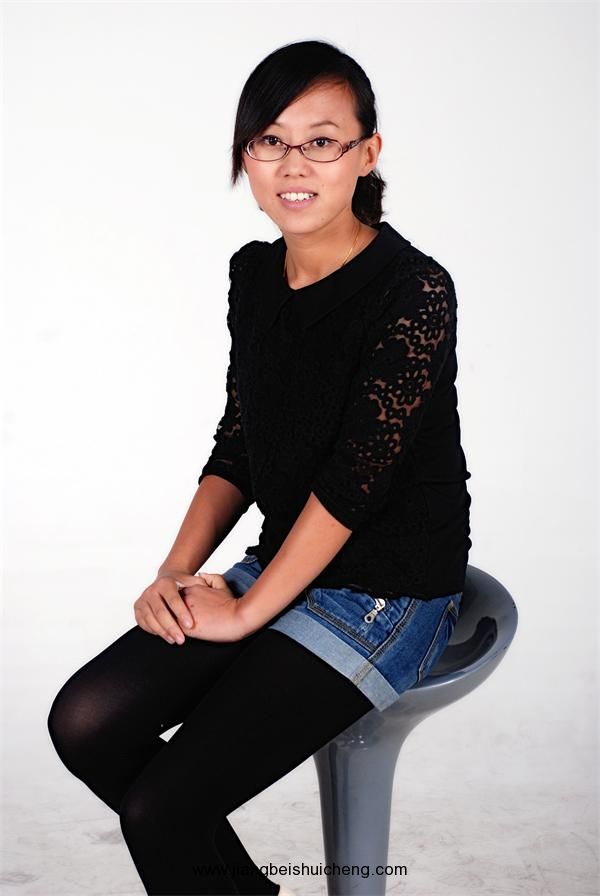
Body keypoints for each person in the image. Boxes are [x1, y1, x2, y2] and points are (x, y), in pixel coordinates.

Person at [47, 39, 472, 896]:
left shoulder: (414, 291)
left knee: (163, 809)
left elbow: (352, 486)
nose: (293, 164)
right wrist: (175, 575)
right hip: (285, 560)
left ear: (367, 153)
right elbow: (239, 444)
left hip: (387, 592)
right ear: (246, 154)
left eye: (322, 141)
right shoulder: (253, 274)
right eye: (270, 140)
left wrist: (245, 613)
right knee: (86, 723)